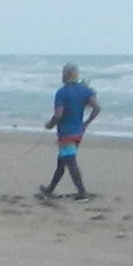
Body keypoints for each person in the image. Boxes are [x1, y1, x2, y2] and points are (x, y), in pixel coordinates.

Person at [38, 64, 100, 199]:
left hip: (66, 133)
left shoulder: (62, 93)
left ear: (65, 75)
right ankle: (50, 189)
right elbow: (97, 108)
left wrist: (50, 124)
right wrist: (86, 123)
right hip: (78, 131)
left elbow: (58, 115)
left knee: (70, 161)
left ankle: (82, 192)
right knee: (62, 161)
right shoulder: (85, 91)